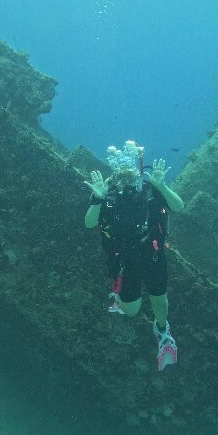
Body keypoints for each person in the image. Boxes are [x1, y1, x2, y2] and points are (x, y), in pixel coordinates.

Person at [84, 140, 185, 371]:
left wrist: (163, 186)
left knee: (160, 301)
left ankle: (163, 331)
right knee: (131, 311)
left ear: (139, 173)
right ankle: (118, 297)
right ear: (115, 177)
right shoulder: (107, 197)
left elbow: (178, 206)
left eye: (132, 176)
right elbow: (90, 223)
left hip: (154, 255)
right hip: (125, 262)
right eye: (122, 177)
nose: (127, 182)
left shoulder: (151, 191)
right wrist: (97, 199)